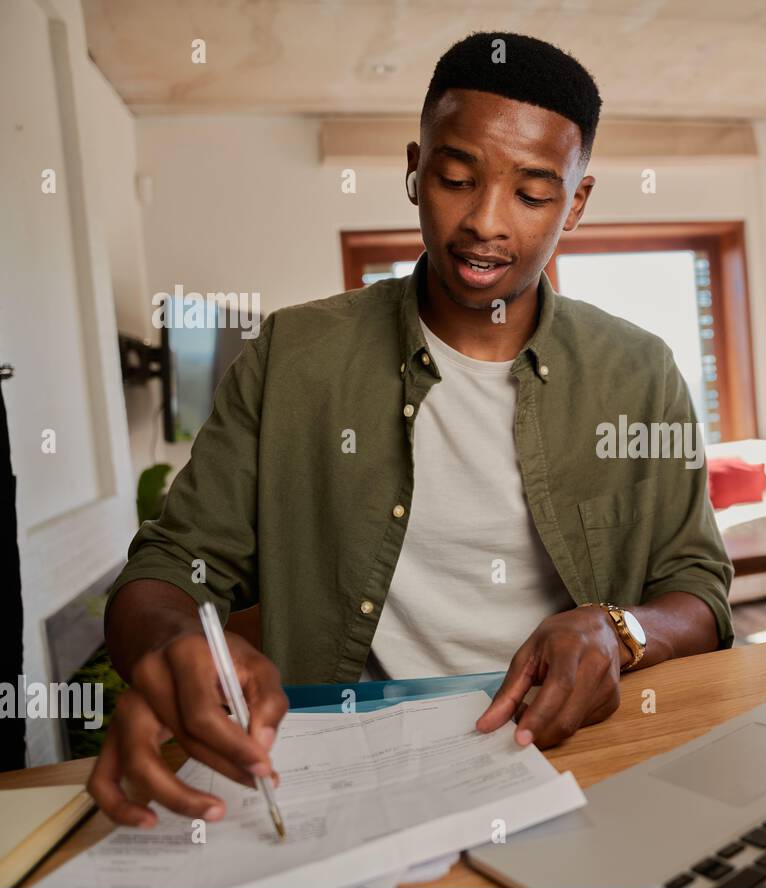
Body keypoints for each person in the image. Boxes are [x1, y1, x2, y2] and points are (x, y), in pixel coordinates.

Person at [90, 32, 733, 829]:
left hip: (578, 750)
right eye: (457, 178)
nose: (485, 223)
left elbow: (699, 589)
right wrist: (166, 649)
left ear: (576, 204)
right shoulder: (293, 358)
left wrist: (620, 630)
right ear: (413, 168)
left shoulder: (639, 371)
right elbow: (166, 569)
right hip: (346, 771)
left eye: (533, 194)